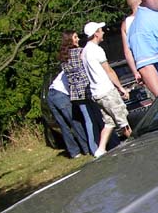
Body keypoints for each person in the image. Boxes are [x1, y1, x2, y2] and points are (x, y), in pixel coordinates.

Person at [81, 21, 132, 157]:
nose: (103, 32)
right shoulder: (97, 50)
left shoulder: (84, 51)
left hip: (97, 93)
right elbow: (109, 70)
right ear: (96, 34)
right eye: (101, 30)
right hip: (107, 91)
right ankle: (136, 143)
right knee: (123, 121)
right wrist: (121, 88)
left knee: (109, 122)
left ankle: (100, 149)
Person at [58, 30, 99, 155]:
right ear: (69, 39)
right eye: (75, 37)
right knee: (95, 118)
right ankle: (97, 145)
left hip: (75, 92)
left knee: (88, 119)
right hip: (86, 88)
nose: (78, 39)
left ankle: (93, 147)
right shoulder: (80, 52)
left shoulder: (63, 57)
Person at [46, 70, 89, 158]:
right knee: (75, 121)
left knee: (64, 126)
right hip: (60, 94)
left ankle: (74, 152)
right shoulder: (74, 70)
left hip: (50, 95)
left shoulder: (64, 71)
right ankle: (86, 148)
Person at [121, 0, 143, 84]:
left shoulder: (125, 24)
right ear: (140, 0)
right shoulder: (149, 15)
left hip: (141, 64)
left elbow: (127, 52)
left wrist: (135, 72)